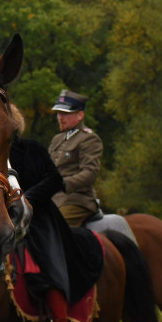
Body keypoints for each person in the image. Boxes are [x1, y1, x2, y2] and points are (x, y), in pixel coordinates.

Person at [10, 105, 103, 322]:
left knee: (47, 256)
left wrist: (26, 199)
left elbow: (54, 179)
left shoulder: (32, 149)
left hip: (38, 214)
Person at [48, 90, 102, 227]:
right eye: (59, 113)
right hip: (53, 198)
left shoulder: (89, 139)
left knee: (56, 228)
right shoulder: (57, 139)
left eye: (65, 113)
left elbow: (90, 173)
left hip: (77, 200)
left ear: (80, 115)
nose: (60, 117)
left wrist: (63, 184)